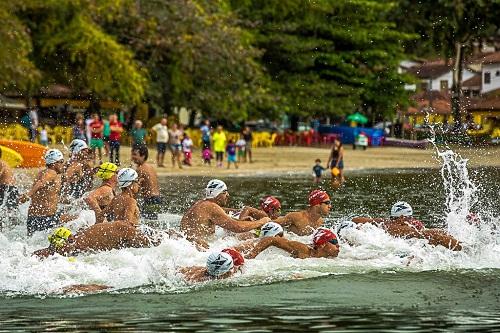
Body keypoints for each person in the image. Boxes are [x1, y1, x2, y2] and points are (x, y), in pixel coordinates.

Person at [180, 179, 270, 249]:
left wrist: (240, 220)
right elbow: (237, 228)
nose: (228, 195)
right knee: (248, 241)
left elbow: (223, 216)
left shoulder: (201, 204)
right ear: (218, 194)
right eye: (225, 192)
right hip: (198, 251)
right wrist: (262, 221)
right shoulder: (211, 207)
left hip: (189, 247)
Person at [350, 201, 462, 251]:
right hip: (401, 251)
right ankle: (462, 248)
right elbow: (430, 235)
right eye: (410, 217)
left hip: (392, 248)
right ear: (402, 217)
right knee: (435, 238)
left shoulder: (384, 223)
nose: (412, 220)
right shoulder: (403, 229)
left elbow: (355, 220)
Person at [33, 222, 159, 258]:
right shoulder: (47, 253)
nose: (72, 243)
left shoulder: (79, 244)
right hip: (122, 231)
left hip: (124, 232)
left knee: (156, 241)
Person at [19, 149, 65, 235]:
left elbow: (46, 192)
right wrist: (28, 195)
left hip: (34, 217)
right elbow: (41, 183)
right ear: (54, 163)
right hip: (45, 218)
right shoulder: (51, 172)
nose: (63, 164)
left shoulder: (42, 172)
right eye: (61, 161)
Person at [244, 228, 340, 259]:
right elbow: (271, 239)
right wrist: (253, 254)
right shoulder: (303, 250)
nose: (338, 245)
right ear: (322, 244)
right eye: (334, 242)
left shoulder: (332, 257)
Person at [131, 145, 162, 220]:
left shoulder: (140, 169)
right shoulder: (151, 167)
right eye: (132, 154)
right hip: (157, 199)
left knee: (148, 223)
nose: (132, 157)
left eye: (135, 154)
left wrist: (131, 203)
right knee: (153, 222)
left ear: (143, 155)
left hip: (150, 200)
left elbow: (135, 189)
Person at [179, 248, 244, 282]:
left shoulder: (195, 270)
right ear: (224, 273)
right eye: (231, 268)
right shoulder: (199, 282)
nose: (233, 270)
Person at [0, 148, 19, 230]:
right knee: (11, 210)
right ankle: (14, 228)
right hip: (11, 188)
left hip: (6, 188)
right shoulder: (3, 162)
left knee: (7, 210)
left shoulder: (1, 163)